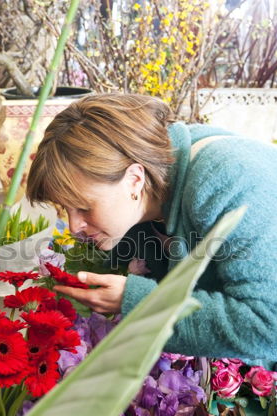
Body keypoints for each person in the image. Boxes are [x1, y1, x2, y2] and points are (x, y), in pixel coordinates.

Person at [27, 93, 277, 369]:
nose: (74, 227)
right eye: (65, 209)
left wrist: (139, 302)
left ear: (134, 179)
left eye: (84, 207)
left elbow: (268, 326)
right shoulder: (145, 204)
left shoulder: (228, 179)